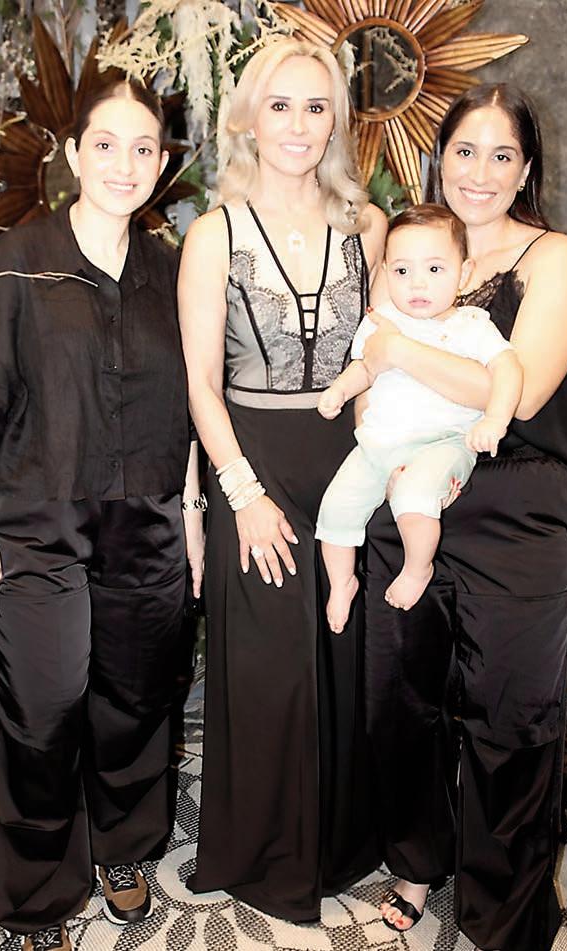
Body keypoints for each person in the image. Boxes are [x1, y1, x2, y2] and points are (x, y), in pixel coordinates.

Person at [0, 80, 203, 951]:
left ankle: (122, 848)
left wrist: (193, 513)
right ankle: (37, 891)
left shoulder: (173, 271)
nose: (125, 164)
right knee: (40, 711)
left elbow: (194, 405)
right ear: (74, 152)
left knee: (136, 705)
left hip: (150, 523)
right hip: (33, 523)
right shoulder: (16, 259)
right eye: (107, 144)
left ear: (162, 163)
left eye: (144, 148)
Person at [363, 84, 567, 951]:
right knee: (402, 700)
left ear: (525, 170)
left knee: (513, 715)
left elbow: (520, 393)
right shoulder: (408, 246)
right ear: (439, 157)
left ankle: (503, 916)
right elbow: (367, 372)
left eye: (501, 155)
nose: (480, 172)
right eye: (464, 150)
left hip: (515, 504)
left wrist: (398, 348)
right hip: (408, 495)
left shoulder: (550, 256)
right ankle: (418, 859)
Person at [178, 38, 387, 921]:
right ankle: (263, 851)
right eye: (279, 105)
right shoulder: (213, 235)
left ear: (335, 121)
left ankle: (339, 843)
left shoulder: (368, 227)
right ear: (248, 119)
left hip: (348, 463)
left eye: (315, 106)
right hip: (250, 463)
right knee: (270, 671)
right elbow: (200, 384)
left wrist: (389, 464)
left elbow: (379, 357)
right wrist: (240, 494)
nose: (298, 124)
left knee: (344, 658)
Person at [315, 204, 522, 630]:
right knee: (334, 510)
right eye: (403, 271)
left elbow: (507, 369)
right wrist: (339, 391)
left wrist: (495, 420)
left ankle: (416, 568)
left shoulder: (471, 325)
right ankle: (341, 582)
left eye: (434, 269)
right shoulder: (382, 322)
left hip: (443, 442)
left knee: (415, 498)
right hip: (378, 444)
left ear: (464, 273)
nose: (417, 283)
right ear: (386, 273)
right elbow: (364, 368)